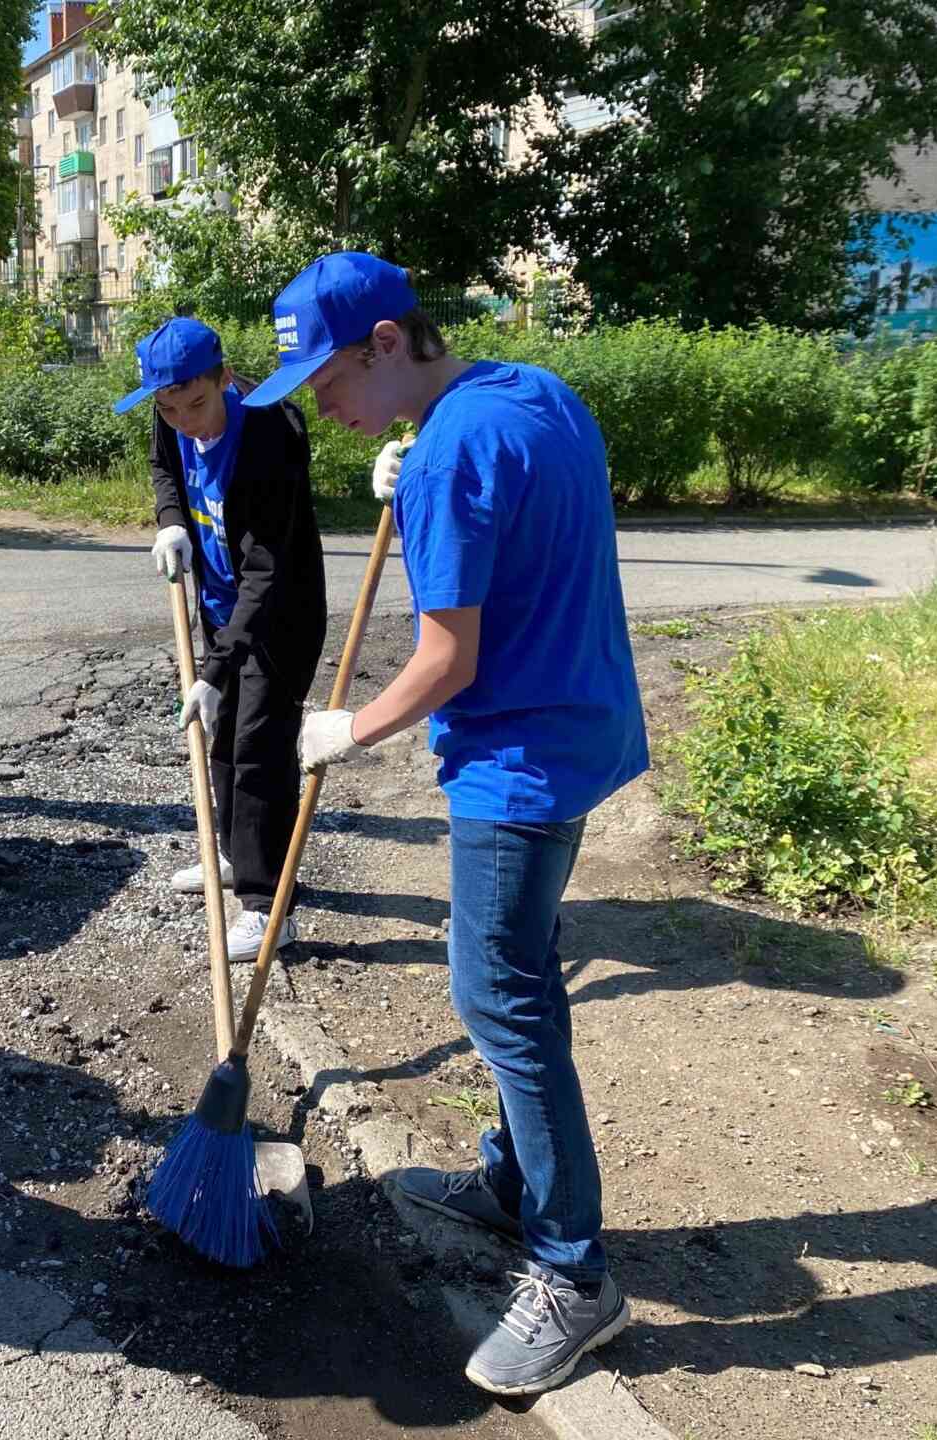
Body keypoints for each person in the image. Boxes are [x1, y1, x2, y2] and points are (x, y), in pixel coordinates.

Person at [246, 252, 647, 1396]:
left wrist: (347, 731)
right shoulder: (528, 392)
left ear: (384, 343)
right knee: (523, 969)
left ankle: (574, 1276)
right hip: (584, 725)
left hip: (517, 757)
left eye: (326, 379)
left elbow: (446, 658)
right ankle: (517, 1183)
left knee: (496, 994)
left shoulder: (451, 454)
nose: (319, 407)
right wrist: (419, 465)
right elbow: (519, 528)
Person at [117, 316, 326, 960]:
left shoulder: (271, 434)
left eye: (197, 404)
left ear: (225, 379)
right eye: (169, 406)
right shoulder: (170, 411)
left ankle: (269, 908)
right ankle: (239, 856)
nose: (185, 420)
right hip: (216, 604)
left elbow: (268, 568)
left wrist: (214, 667)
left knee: (261, 746)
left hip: (277, 616)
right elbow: (163, 466)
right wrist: (171, 522)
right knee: (224, 739)